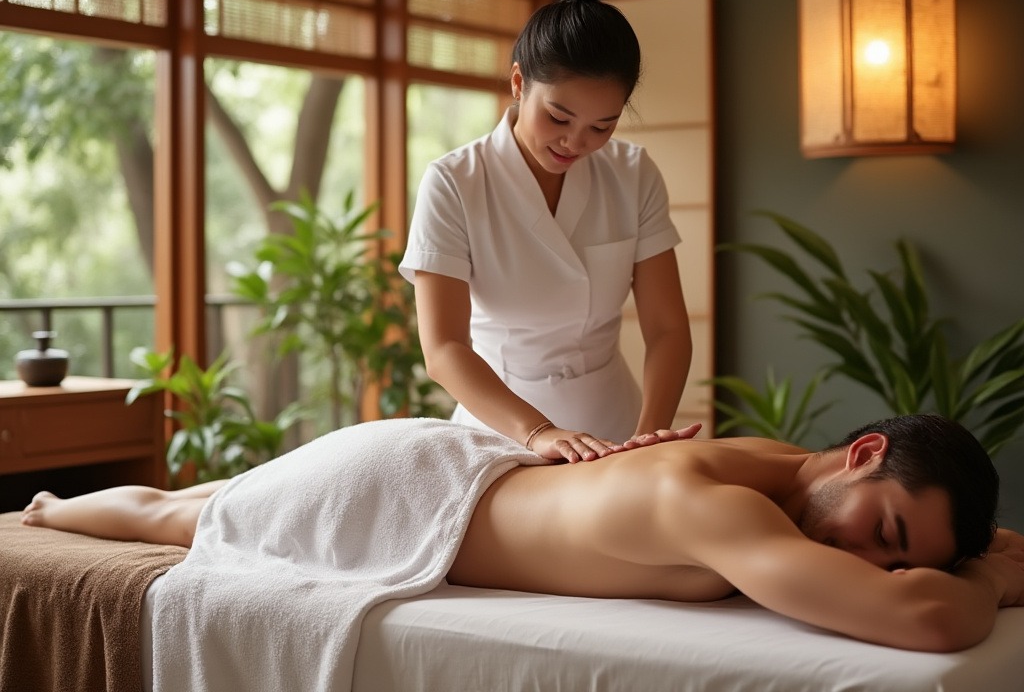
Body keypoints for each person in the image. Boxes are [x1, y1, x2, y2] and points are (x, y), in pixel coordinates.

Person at [21, 414, 1024, 651]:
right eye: (883, 530)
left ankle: (58, 507)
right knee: (188, 514)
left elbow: (918, 587)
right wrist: (989, 582)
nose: (868, 562)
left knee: (204, 504)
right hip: (402, 492)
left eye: (897, 556)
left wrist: (962, 556)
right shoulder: (721, 506)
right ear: (861, 452)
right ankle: (48, 513)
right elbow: (929, 624)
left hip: (472, 478)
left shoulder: (772, 460)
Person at [398, 0, 693, 463]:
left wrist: (647, 442)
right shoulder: (454, 183)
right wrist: (538, 432)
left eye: (602, 126)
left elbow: (667, 329)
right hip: (503, 430)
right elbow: (444, 349)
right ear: (518, 84)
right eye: (559, 117)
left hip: (617, 421)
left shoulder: (632, 172)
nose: (575, 143)